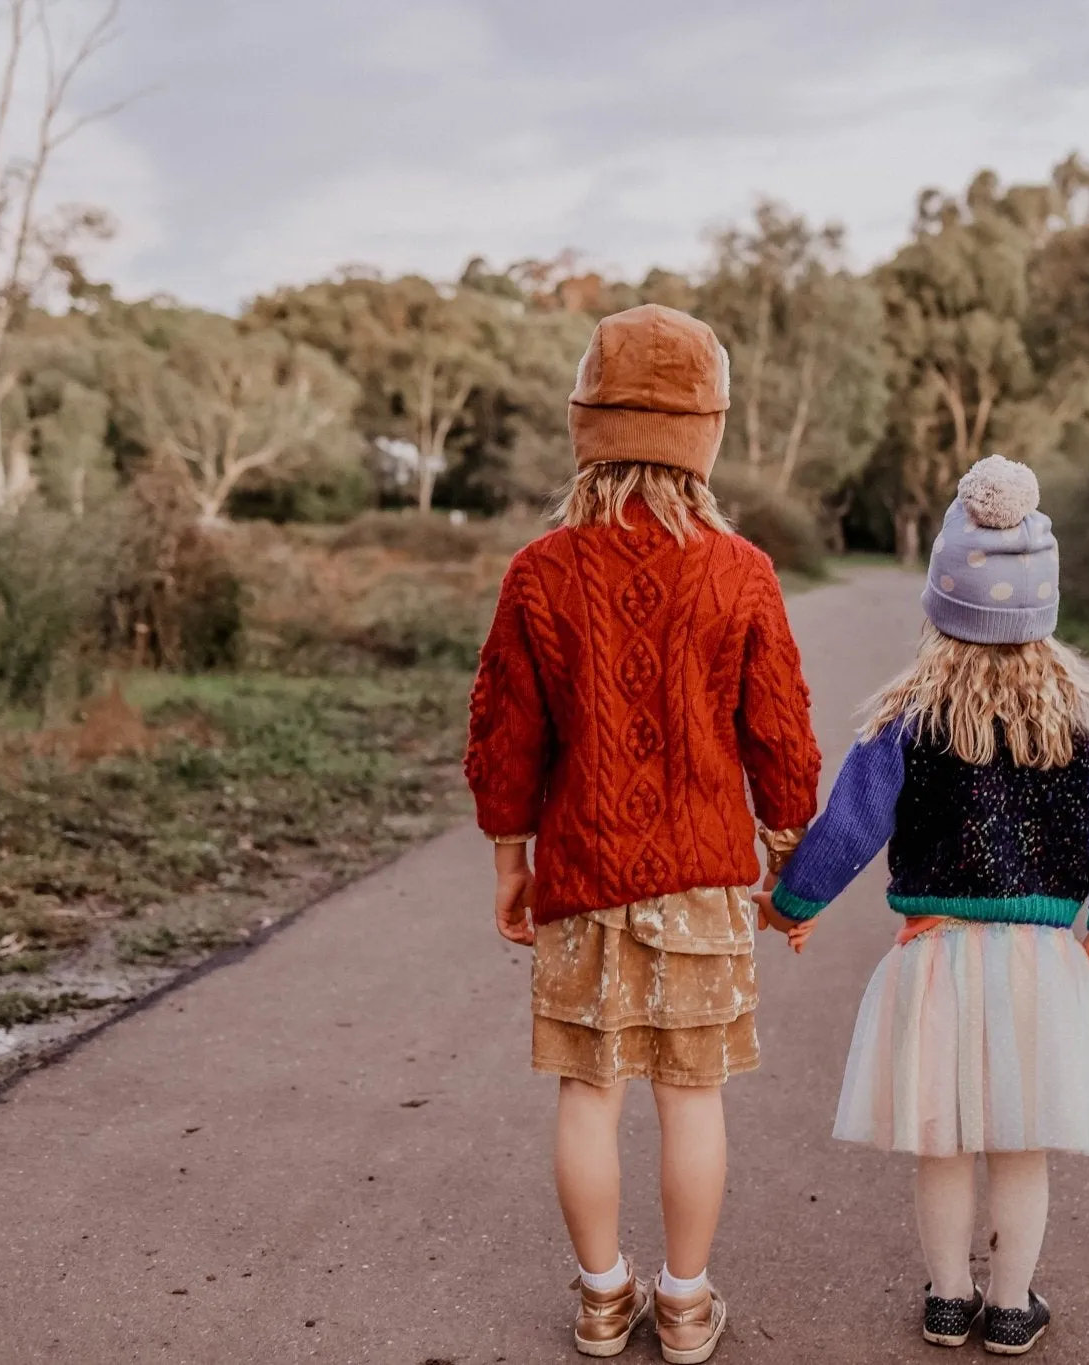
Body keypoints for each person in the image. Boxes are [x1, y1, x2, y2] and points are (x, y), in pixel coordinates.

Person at [464, 304, 821, 1363]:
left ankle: (599, 1295)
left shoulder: (539, 571)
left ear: (587, 425)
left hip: (580, 876)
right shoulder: (741, 569)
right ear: (703, 438)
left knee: (589, 1090)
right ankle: (681, 1300)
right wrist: (790, 864)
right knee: (691, 1097)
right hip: (705, 882)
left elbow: (503, 732)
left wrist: (508, 860)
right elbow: (781, 735)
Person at [760, 454, 1089, 1357]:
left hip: (937, 956)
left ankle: (946, 1296)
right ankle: (1012, 1306)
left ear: (940, 601)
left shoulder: (907, 714)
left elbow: (850, 825)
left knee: (942, 1138)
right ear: (1043, 606)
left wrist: (791, 901)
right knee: (1020, 1141)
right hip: (1042, 961)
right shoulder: (1079, 721)